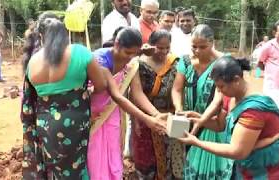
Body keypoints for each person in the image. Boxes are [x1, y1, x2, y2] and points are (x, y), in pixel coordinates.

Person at [180, 56, 279, 179]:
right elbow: (221, 125)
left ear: (236, 80)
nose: (219, 91)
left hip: (273, 162)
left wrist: (197, 142)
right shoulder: (230, 95)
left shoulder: (253, 110)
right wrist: (199, 119)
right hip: (251, 159)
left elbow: (237, 151)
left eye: (221, 86)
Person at [21, 17, 107, 179]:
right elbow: (101, 85)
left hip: (46, 124)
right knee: (76, 168)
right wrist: (85, 94)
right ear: (65, 33)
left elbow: (30, 99)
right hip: (74, 122)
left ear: (41, 36)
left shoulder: (32, 62)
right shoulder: (80, 52)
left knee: (55, 168)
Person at [88, 27, 167, 180]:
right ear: (116, 44)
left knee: (113, 154)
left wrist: (156, 115)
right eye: (127, 53)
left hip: (112, 115)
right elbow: (117, 96)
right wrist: (147, 119)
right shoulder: (99, 60)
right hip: (93, 116)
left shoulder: (132, 64)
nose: (130, 58)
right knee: (94, 157)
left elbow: (137, 93)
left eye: (134, 54)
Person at [171, 24, 233, 179]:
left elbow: (219, 100)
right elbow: (177, 89)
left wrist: (201, 120)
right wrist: (178, 108)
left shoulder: (222, 63)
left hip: (212, 124)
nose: (197, 51)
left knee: (211, 165)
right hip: (187, 120)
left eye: (203, 47)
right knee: (186, 161)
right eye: (194, 46)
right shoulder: (185, 62)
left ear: (212, 44)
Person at [131, 30, 181, 179]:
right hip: (146, 118)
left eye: (167, 48)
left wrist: (178, 111)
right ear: (150, 46)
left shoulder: (176, 62)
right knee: (146, 158)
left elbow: (179, 89)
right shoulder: (138, 64)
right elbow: (137, 93)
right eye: (160, 48)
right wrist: (155, 115)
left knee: (172, 155)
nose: (164, 52)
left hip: (170, 117)